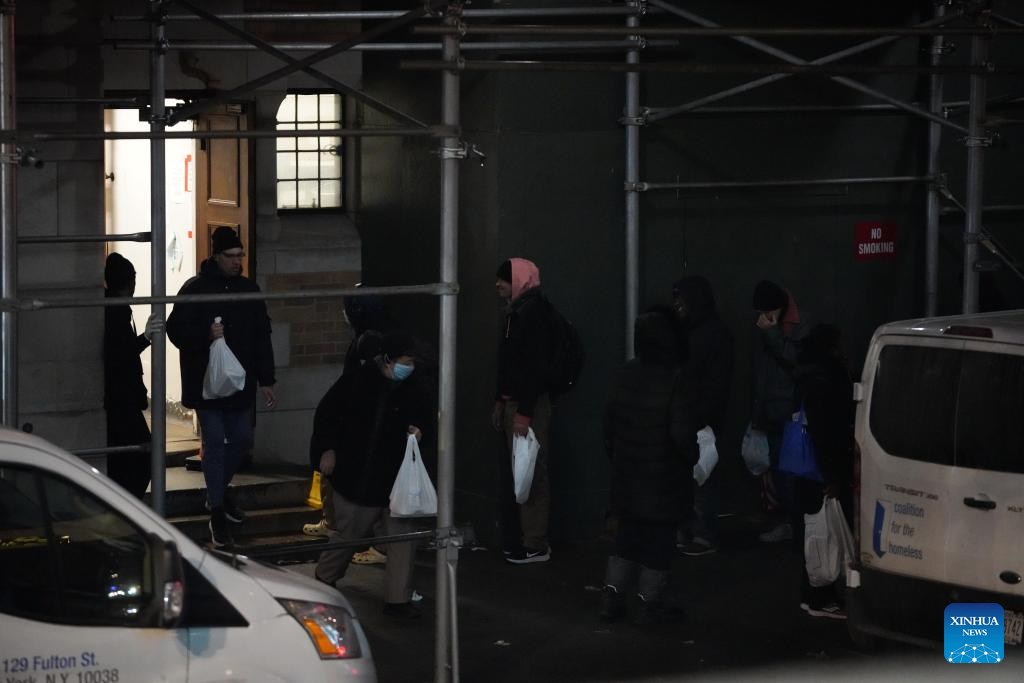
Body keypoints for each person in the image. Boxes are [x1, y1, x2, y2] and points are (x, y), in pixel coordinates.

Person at [166, 226, 277, 549]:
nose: (237, 261)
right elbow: (176, 332)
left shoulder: (248, 290)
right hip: (207, 383)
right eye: (231, 256)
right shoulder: (196, 289)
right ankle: (216, 508)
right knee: (214, 441)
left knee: (241, 438)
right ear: (216, 256)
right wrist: (206, 335)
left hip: (239, 381)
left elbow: (261, 336)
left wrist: (267, 379)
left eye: (240, 255)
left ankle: (217, 492)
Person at [311, 331, 430, 618]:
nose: (409, 367)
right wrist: (327, 450)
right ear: (388, 360)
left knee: (401, 537)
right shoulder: (357, 381)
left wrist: (419, 430)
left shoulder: (412, 387)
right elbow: (328, 416)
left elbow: (422, 417)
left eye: (412, 362)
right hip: (360, 473)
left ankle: (397, 600)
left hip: (391, 476)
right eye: (405, 361)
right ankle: (325, 579)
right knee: (351, 531)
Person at [600, 309, 698, 624]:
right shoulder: (676, 379)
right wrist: (693, 456)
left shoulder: (625, 373)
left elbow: (608, 427)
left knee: (626, 537)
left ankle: (611, 598)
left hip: (627, 473)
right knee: (658, 542)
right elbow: (682, 434)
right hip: (663, 479)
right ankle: (648, 604)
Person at [304, 292, 393, 568]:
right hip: (358, 432)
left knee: (360, 507)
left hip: (362, 435)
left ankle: (368, 544)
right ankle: (340, 529)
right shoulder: (367, 340)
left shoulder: (366, 346)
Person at [492, 258, 553, 564]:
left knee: (530, 472)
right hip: (517, 404)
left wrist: (522, 412)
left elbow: (532, 368)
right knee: (524, 472)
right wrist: (502, 401)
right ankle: (528, 539)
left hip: (525, 406)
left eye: (503, 279)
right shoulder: (519, 312)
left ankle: (534, 542)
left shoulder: (529, 315)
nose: (498, 284)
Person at [794, 324, 856, 619]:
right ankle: (821, 596)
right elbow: (827, 429)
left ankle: (816, 592)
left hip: (807, 467)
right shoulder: (825, 378)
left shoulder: (806, 374)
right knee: (824, 534)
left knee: (815, 533)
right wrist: (832, 475)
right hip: (824, 468)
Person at [671, 276, 734, 556]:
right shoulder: (690, 331)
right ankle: (690, 529)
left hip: (702, 417)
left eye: (681, 298)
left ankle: (704, 533)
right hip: (687, 414)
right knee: (690, 476)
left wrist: (702, 415)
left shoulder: (711, 334)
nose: (677, 304)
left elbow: (716, 383)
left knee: (702, 477)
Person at [750, 280, 807, 543]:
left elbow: (795, 361)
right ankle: (788, 524)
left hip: (790, 415)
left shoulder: (794, 331)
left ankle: (798, 528)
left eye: (766, 311)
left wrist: (772, 333)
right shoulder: (766, 332)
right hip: (772, 412)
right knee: (777, 473)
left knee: (790, 476)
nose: (762, 318)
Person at [103, 252, 161, 500]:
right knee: (142, 455)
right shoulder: (116, 311)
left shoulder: (112, 307)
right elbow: (120, 353)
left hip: (119, 396)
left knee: (127, 458)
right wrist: (146, 338)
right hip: (121, 397)